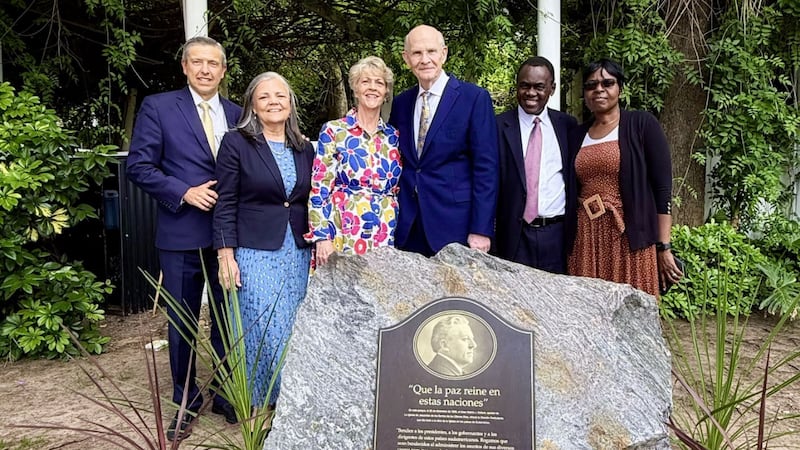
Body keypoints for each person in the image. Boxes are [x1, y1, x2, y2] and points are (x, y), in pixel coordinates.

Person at [126, 36, 240, 440]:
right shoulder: (159, 107)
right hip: (181, 232)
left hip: (229, 236)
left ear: (223, 71)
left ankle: (227, 393)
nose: (205, 69)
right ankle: (186, 399)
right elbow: (139, 165)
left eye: (213, 63)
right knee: (182, 322)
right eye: (198, 62)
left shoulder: (238, 113)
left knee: (228, 320)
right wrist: (183, 192)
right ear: (185, 67)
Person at [213, 72, 313, 408]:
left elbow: (309, 199)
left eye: (280, 96)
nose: (274, 102)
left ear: (290, 104)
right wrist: (225, 256)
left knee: (293, 327)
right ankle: (272, 403)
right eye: (265, 96)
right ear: (253, 106)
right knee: (266, 328)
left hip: (296, 253)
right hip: (254, 252)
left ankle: (289, 405)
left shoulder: (304, 148)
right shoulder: (236, 143)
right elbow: (226, 203)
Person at [568, 59, 683, 297]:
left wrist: (664, 246)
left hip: (629, 238)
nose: (599, 89)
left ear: (620, 88)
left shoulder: (641, 125)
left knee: (632, 309)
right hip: (587, 238)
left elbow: (662, 189)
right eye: (591, 85)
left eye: (607, 83)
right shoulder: (577, 135)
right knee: (588, 309)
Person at [389, 24, 498, 257]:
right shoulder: (401, 103)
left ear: (444, 53)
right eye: (417, 53)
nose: (425, 59)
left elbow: (486, 168)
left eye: (431, 51)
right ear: (406, 58)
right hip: (409, 227)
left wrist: (481, 229)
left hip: (455, 226)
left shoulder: (474, 98)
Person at [306, 56, 401, 265]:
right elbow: (320, 187)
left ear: (386, 92)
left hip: (385, 230)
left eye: (379, 83)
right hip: (343, 228)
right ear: (355, 89)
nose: (372, 87)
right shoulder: (334, 131)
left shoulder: (393, 136)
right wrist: (322, 236)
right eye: (365, 81)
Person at [493, 56, 578, 273]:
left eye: (539, 87)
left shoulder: (567, 126)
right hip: (514, 235)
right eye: (525, 86)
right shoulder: (497, 126)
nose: (531, 93)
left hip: (556, 235)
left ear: (552, 88)